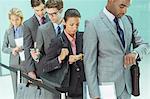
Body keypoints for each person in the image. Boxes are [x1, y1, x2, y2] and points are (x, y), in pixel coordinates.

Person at [83, 0, 150, 99]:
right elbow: (89, 63)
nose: (125, 11)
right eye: (122, 6)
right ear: (111, 1)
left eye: (127, 7)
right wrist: (94, 94)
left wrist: (135, 53)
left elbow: (145, 45)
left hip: (127, 87)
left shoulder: (128, 21)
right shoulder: (93, 24)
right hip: (105, 89)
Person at [44, 8, 85, 99]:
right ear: (64, 22)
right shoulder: (57, 41)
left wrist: (81, 56)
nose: (75, 28)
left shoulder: (83, 37)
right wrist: (60, 58)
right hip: (67, 89)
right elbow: (46, 66)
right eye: (71, 25)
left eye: (77, 25)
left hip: (83, 86)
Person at [23, 0, 49, 79]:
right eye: (37, 10)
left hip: (54, 63)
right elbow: (27, 48)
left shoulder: (52, 19)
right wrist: (30, 70)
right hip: (38, 65)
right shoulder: (28, 24)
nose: (40, 13)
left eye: (42, 9)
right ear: (32, 8)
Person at [2, 8, 24, 99]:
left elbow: (29, 43)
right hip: (13, 63)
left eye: (17, 19)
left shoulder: (26, 29)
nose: (15, 22)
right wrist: (12, 50)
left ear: (21, 19)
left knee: (25, 85)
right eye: (12, 19)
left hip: (24, 62)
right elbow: (4, 48)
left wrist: (21, 48)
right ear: (10, 19)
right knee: (15, 86)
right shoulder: (8, 31)